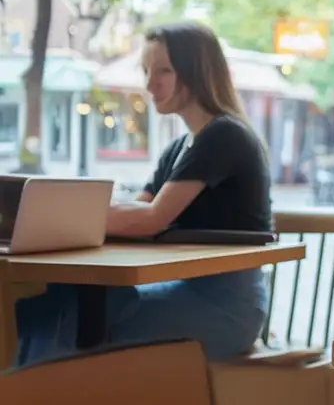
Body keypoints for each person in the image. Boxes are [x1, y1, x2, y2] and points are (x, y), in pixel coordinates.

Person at [14, 22, 271, 367]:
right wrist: (66, 215)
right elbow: (138, 210)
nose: (150, 84)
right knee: (58, 304)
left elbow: (150, 220)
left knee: (78, 315)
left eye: (163, 70)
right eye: (147, 70)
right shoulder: (181, 146)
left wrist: (54, 218)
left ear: (196, 71)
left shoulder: (224, 135)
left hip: (226, 311)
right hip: (190, 293)